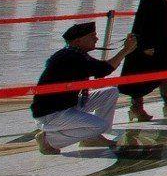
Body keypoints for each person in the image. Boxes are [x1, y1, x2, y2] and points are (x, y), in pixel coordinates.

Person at [32, 22, 136, 153]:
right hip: (52, 113)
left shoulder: (75, 54)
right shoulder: (70, 57)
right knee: (101, 125)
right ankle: (49, 140)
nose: (96, 39)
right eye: (92, 36)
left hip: (68, 103)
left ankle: (92, 137)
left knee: (110, 92)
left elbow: (101, 68)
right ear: (78, 40)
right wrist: (125, 50)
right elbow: (103, 70)